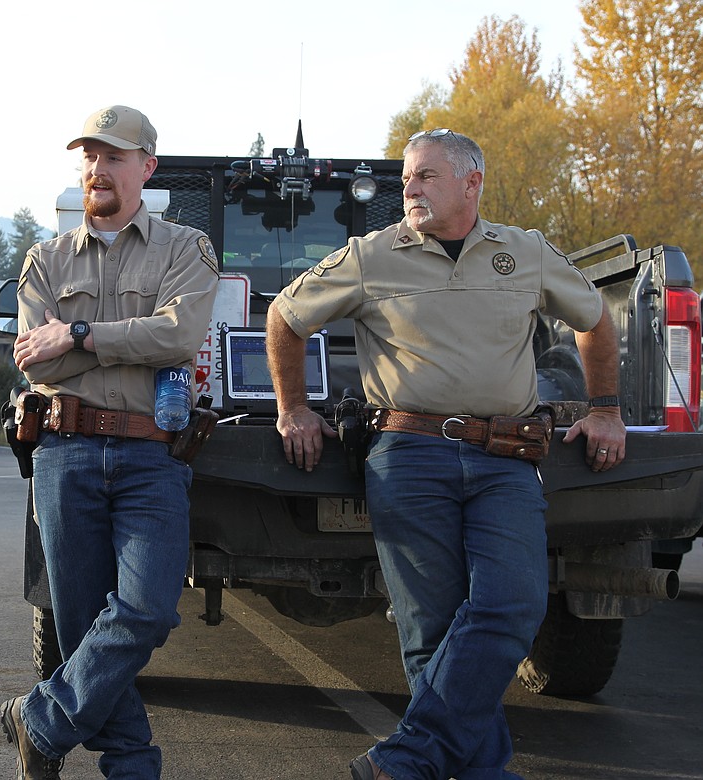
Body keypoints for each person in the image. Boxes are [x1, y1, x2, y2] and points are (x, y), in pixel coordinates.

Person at [265, 129, 626, 780]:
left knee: (513, 605)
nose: (409, 188)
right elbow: (286, 319)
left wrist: (604, 408)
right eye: (407, 178)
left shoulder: (526, 251)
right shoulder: (372, 255)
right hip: (408, 456)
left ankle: (403, 761)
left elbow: (595, 319)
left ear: (471, 183)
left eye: (426, 176)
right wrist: (293, 408)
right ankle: (480, 772)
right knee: (430, 629)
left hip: (506, 456)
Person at [0, 105, 219, 779]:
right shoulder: (45, 259)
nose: (98, 168)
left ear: (146, 168)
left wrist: (81, 334)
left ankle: (39, 720)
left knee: (147, 611)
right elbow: (37, 364)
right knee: (81, 628)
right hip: (64, 454)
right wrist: (122, 342)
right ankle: (132, 765)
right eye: (89, 156)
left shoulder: (185, 248)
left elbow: (180, 336)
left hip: (151, 456)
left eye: (114, 156)